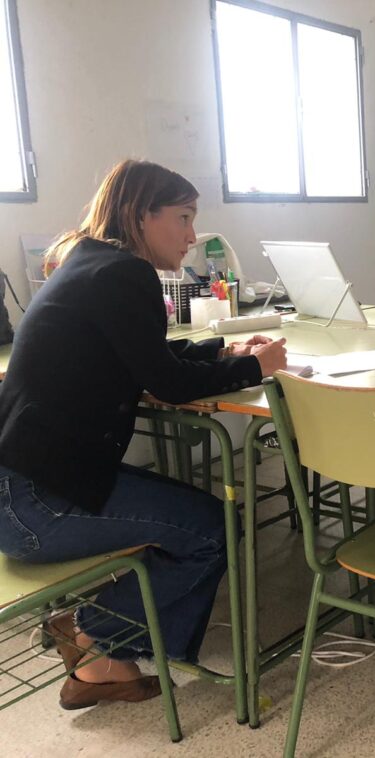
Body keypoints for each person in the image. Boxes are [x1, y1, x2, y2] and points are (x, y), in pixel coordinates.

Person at [0, 159, 287, 709]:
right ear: (139, 214)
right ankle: (91, 636)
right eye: (181, 218)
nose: (191, 235)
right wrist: (256, 369)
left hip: (25, 491)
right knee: (212, 529)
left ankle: (107, 656)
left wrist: (223, 350)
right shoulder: (124, 275)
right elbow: (170, 385)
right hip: (35, 506)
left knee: (199, 518)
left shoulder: (86, 262)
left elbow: (143, 360)